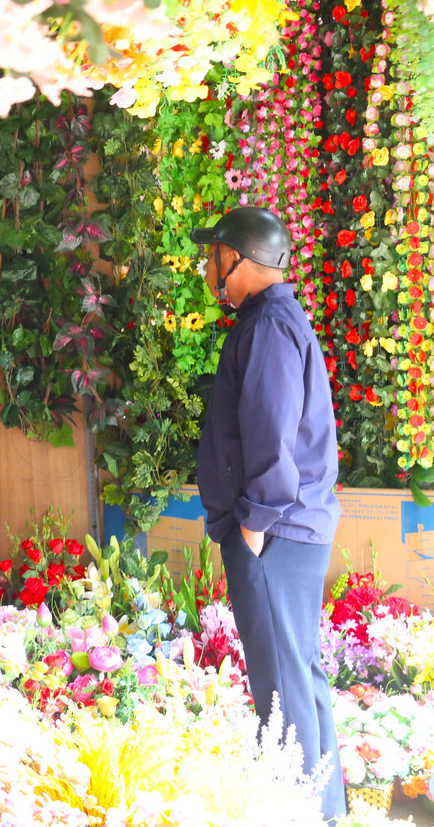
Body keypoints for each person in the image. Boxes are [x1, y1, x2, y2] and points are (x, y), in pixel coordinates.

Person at [191, 206, 346, 820]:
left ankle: (298, 811)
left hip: (274, 532)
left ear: (240, 260)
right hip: (287, 530)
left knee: (280, 687)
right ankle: (323, 811)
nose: (208, 269)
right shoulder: (272, 320)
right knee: (296, 679)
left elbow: (271, 434)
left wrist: (253, 523)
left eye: (214, 258)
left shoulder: (268, 328)